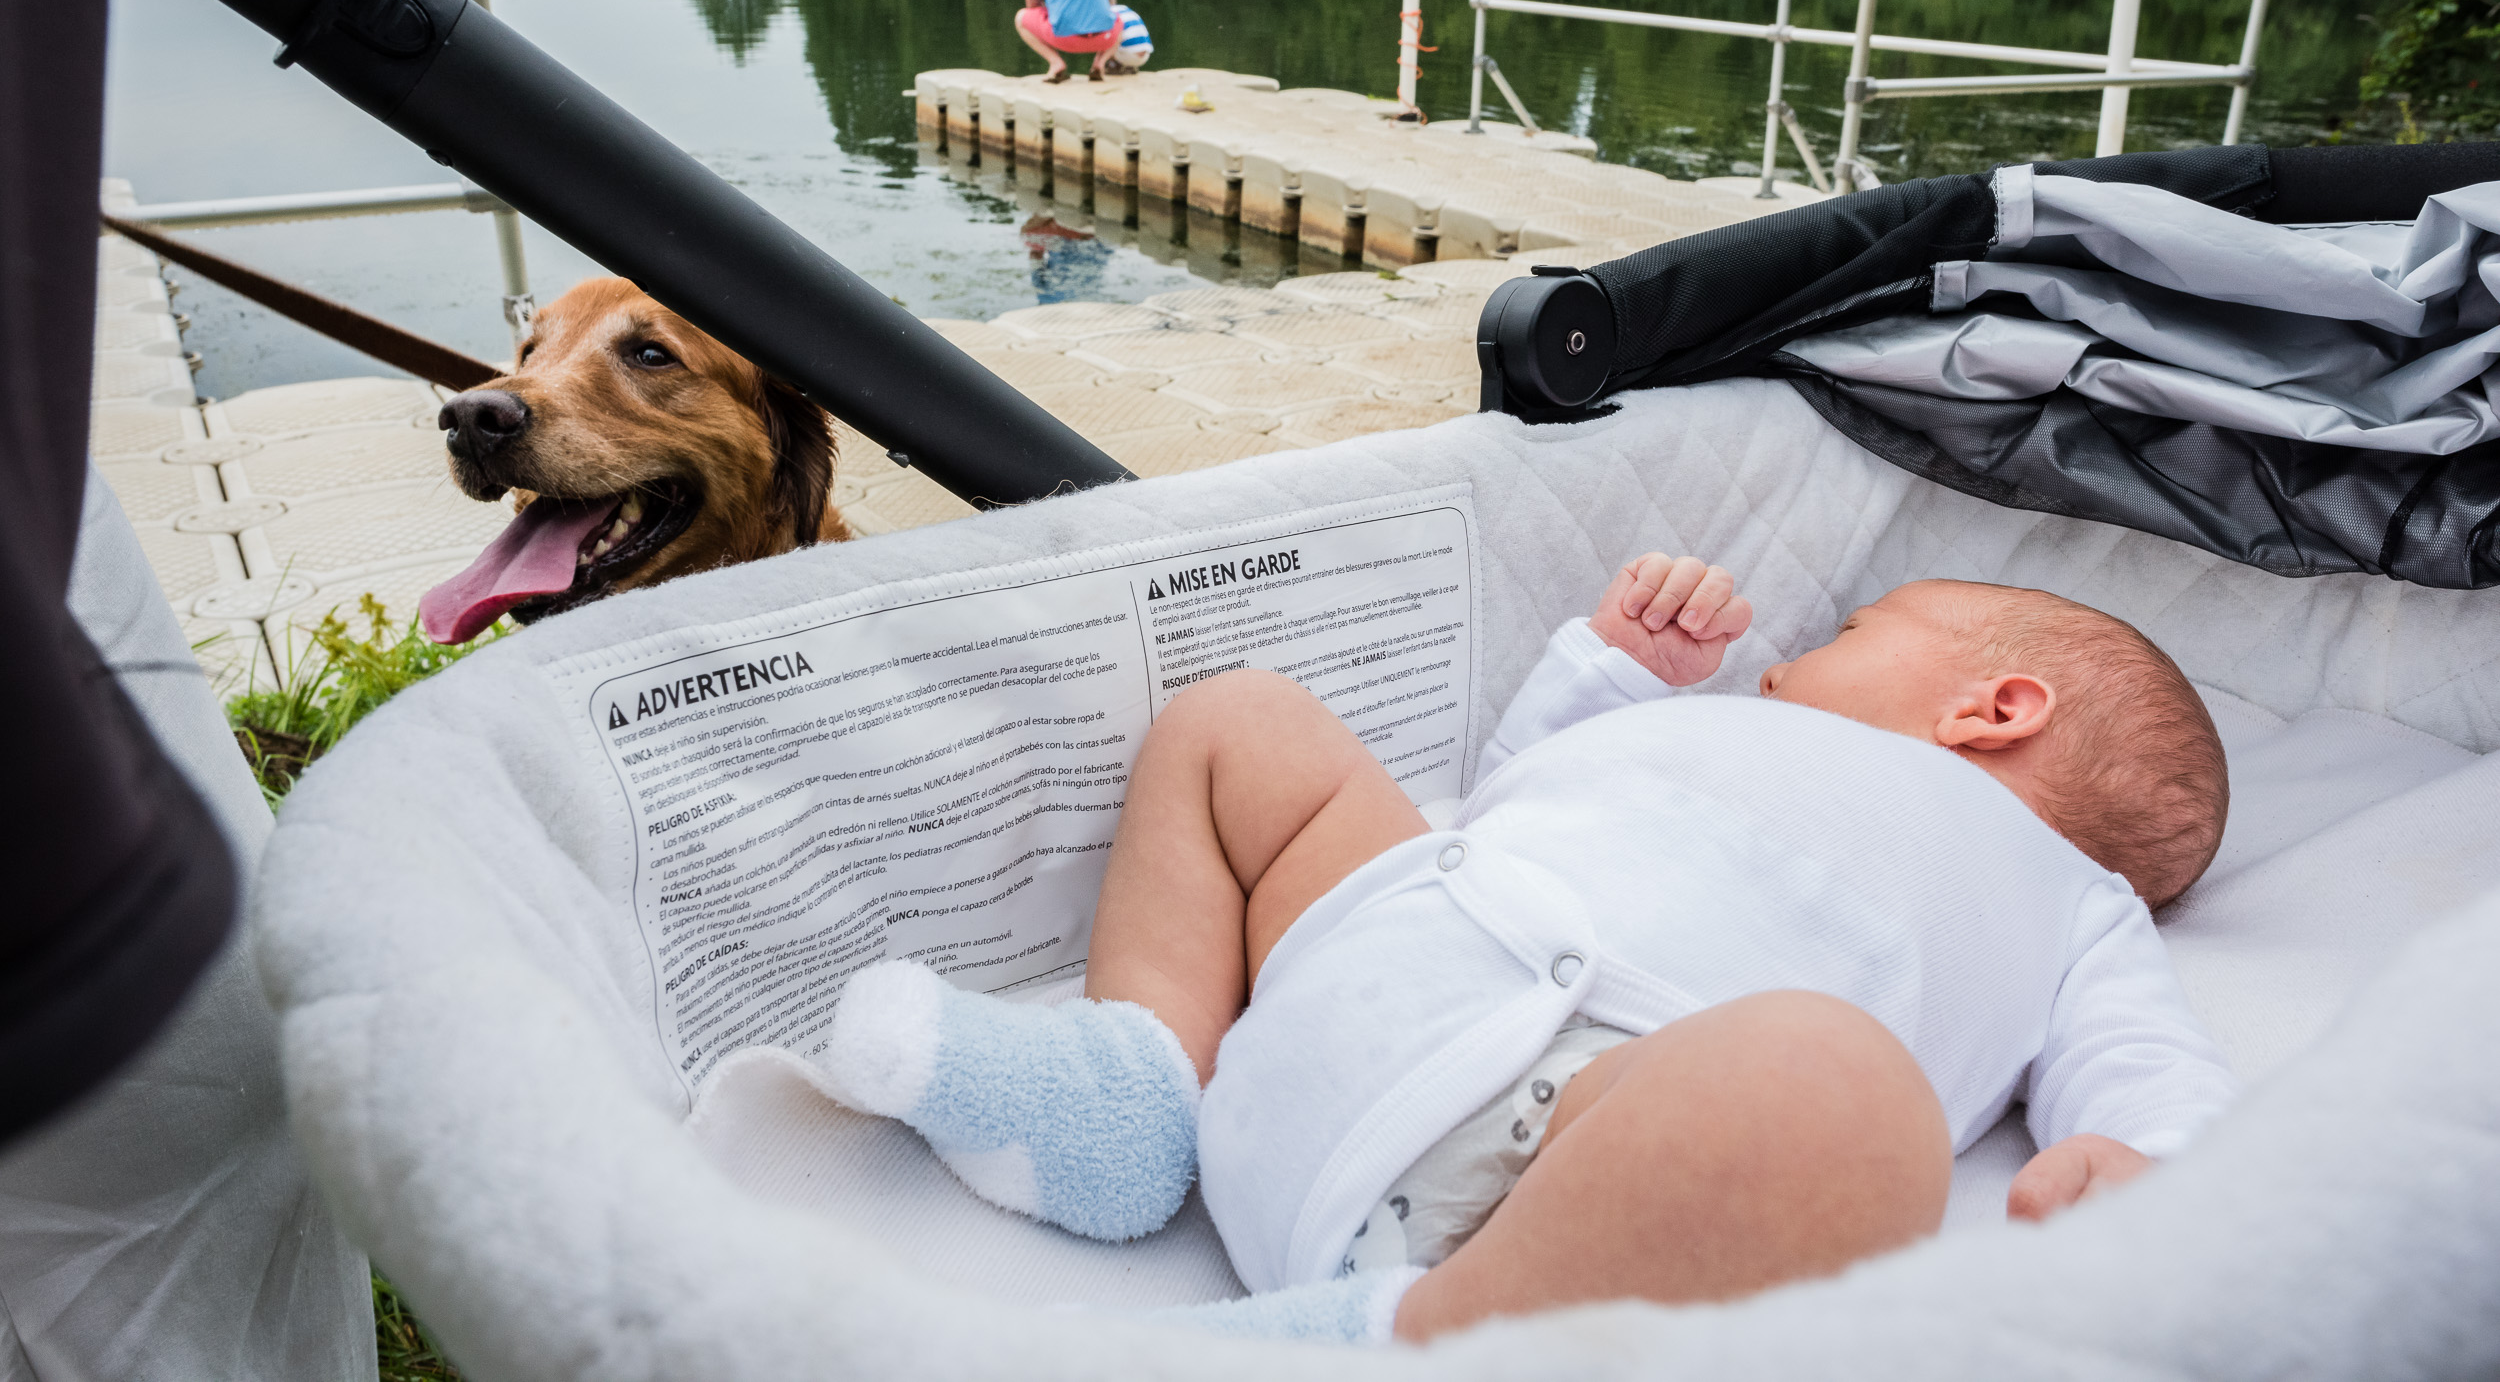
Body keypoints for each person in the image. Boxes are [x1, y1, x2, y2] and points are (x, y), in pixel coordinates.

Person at [814, 558, 2237, 1344]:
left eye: (1855, 630)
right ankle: (1129, 1092)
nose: (1787, 655)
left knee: (1832, 1085)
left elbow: (2145, 1062)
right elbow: (1510, 799)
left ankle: (1413, 1342)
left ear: (1996, 707)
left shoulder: (2068, 899)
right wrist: (1609, 672)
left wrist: (2160, 1166)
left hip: (1586, 1151)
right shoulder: (1712, 717)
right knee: (1237, 725)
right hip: (1388, 953)